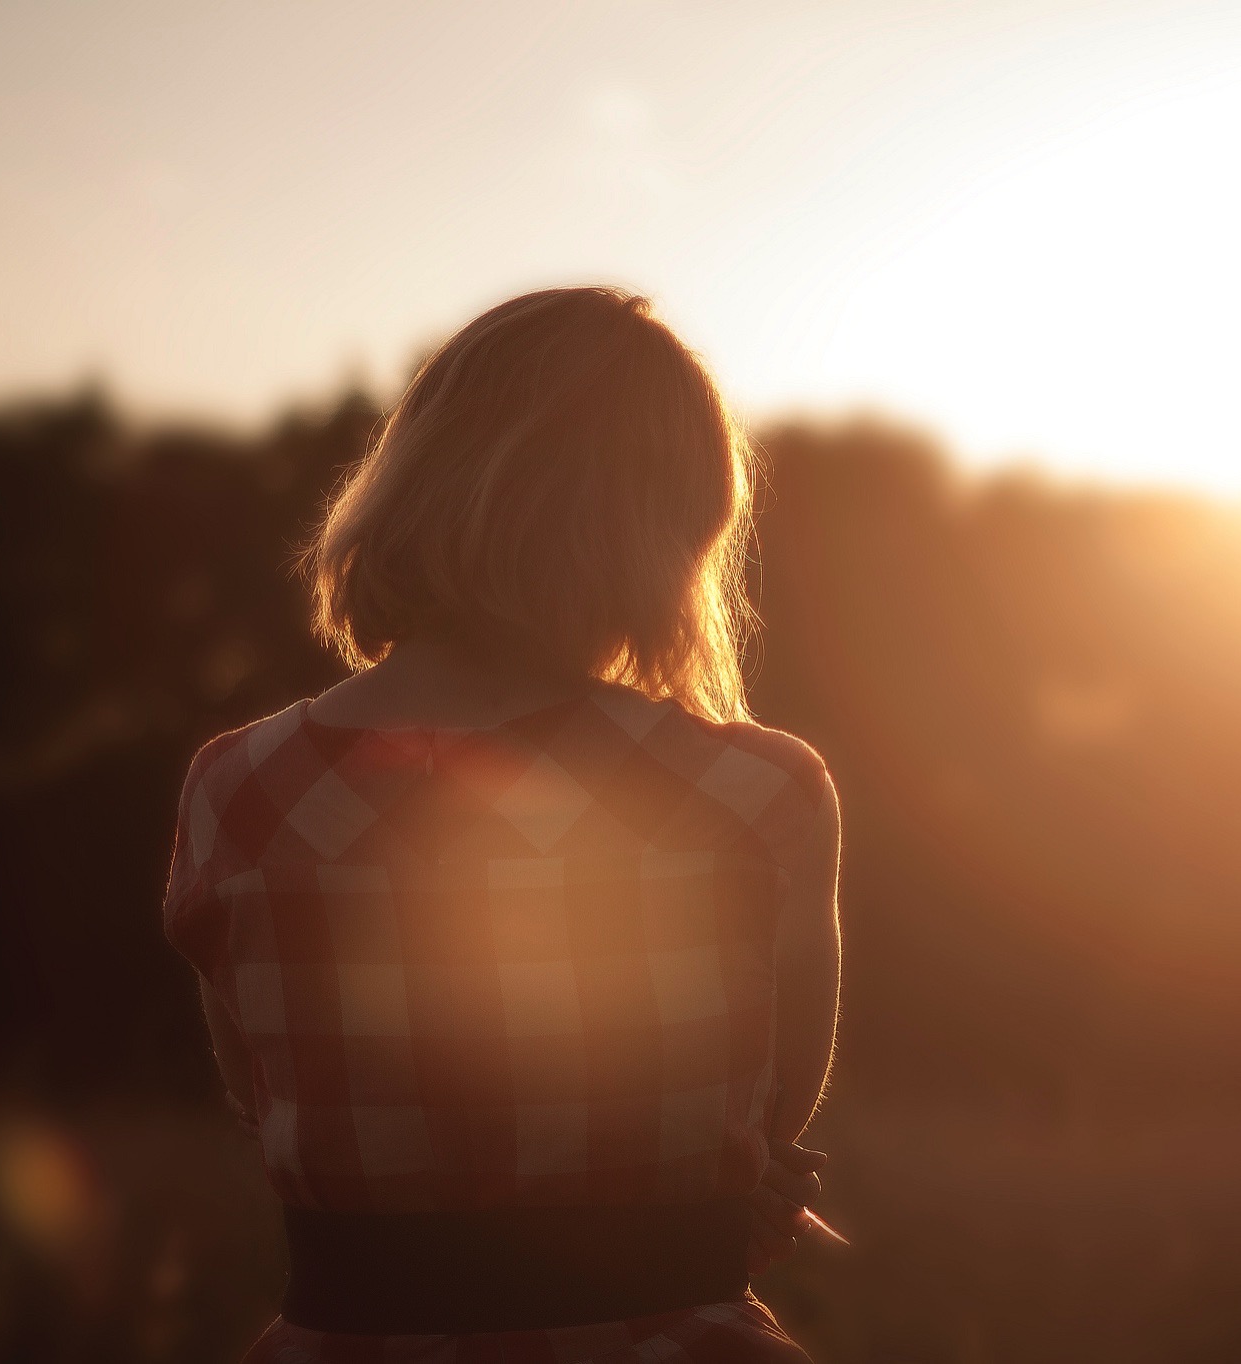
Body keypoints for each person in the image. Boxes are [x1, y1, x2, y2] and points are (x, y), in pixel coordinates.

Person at [161, 287, 841, 1363]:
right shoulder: (757, 793)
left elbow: (267, 1102)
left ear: (417, 475)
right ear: (667, 528)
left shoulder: (235, 788)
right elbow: (769, 1118)